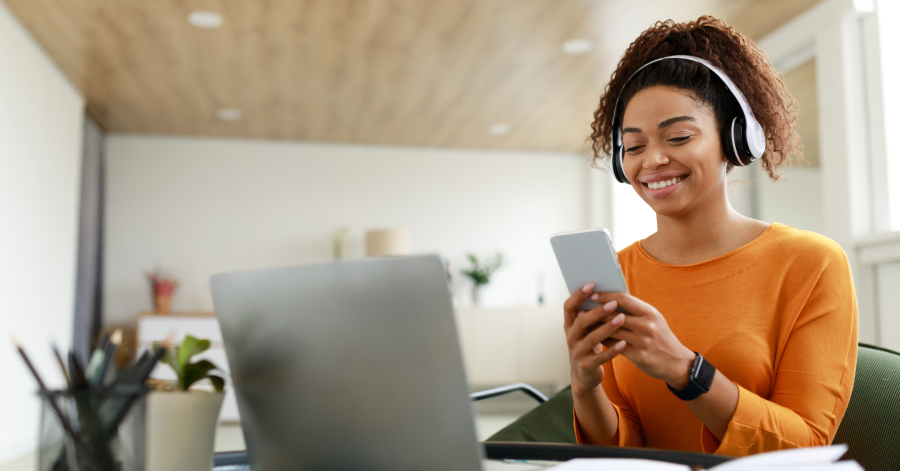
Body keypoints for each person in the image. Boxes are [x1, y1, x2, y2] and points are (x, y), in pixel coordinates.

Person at [566, 16, 858, 456]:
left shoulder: (810, 263)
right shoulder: (619, 272)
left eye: (678, 136)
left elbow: (806, 446)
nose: (654, 160)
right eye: (634, 146)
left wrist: (686, 370)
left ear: (735, 139)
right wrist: (585, 387)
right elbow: (623, 447)